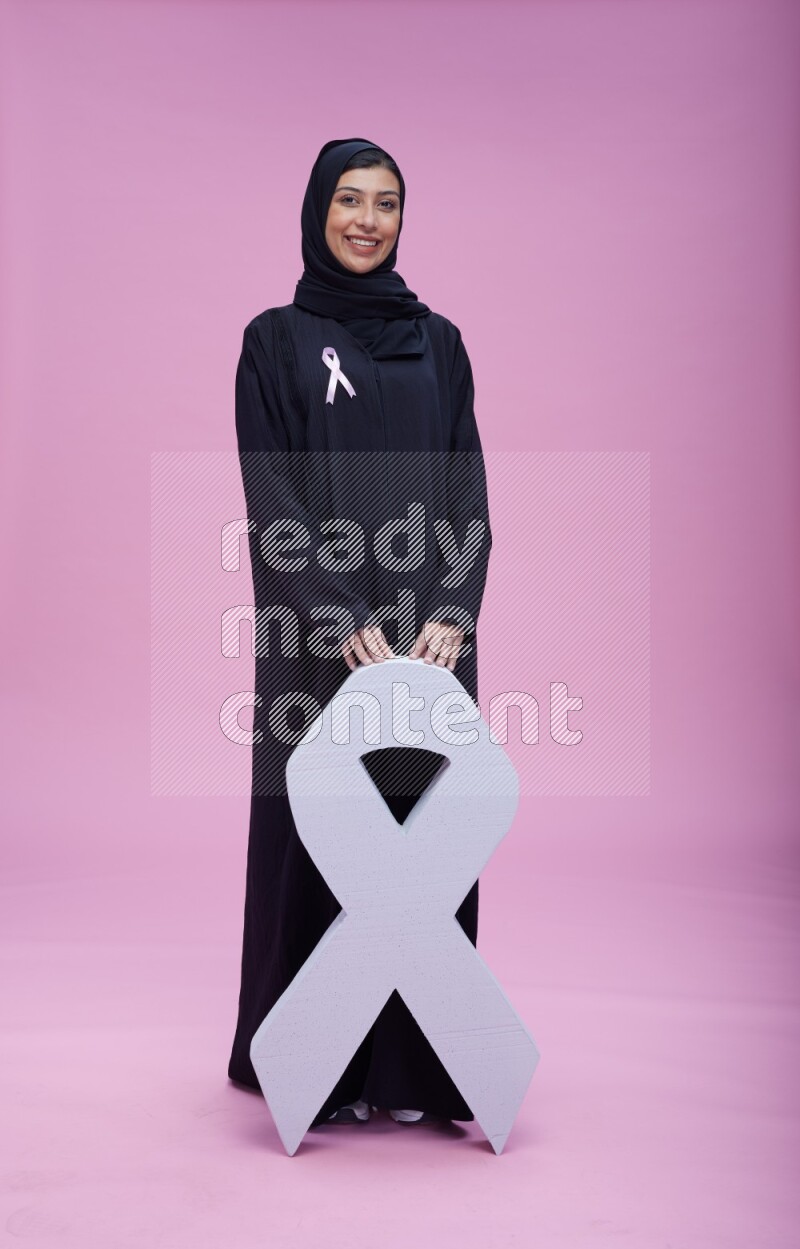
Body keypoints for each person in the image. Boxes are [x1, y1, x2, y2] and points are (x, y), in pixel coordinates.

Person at [227, 137, 492, 1128]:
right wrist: (334, 617)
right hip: (319, 641)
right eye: (350, 199)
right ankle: (316, 1070)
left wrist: (453, 615)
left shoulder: (442, 343)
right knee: (318, 840)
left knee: (424, 839)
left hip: (427, 647)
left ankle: (416, 1074)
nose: (367, 220)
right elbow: (272, 494)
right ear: (316, 209)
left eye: (386, 203)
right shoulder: (274, 341)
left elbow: (466, 490)